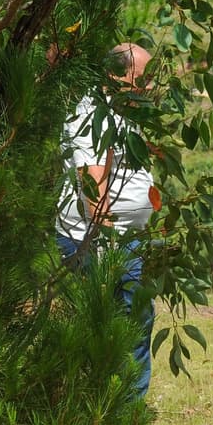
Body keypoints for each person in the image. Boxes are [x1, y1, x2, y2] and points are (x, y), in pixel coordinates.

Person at [55, 43, 158, 404]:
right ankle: (117, 417)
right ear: (117, 77)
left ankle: (126, 416)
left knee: (136, 323)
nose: (149, 89)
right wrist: (109, 252)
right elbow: (93, 195)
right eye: (143, 80)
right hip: (98, 243)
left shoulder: (122, 113)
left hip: (125, 240)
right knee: (126, 324)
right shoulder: (93, 115)